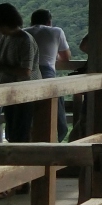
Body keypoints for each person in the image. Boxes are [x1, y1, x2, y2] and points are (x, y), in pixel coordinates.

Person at [0, 3, 41, 142]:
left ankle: (21, 162)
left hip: (25, 91)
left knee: (21, 130)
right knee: (12, 129)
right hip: (11, 90)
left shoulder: (25, 39)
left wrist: (0, 67)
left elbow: (26, 71)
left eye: (0, 26)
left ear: (7, 23)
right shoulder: (7, 37)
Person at [27, 9, 72, 141]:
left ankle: (28, 142)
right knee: (55, 112)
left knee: (30, 112)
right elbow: (66, 57)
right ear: (49, 21)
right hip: (47, 72)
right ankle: (54, 140)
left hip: (27, 74)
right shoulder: (56, 31)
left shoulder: (24, 32)